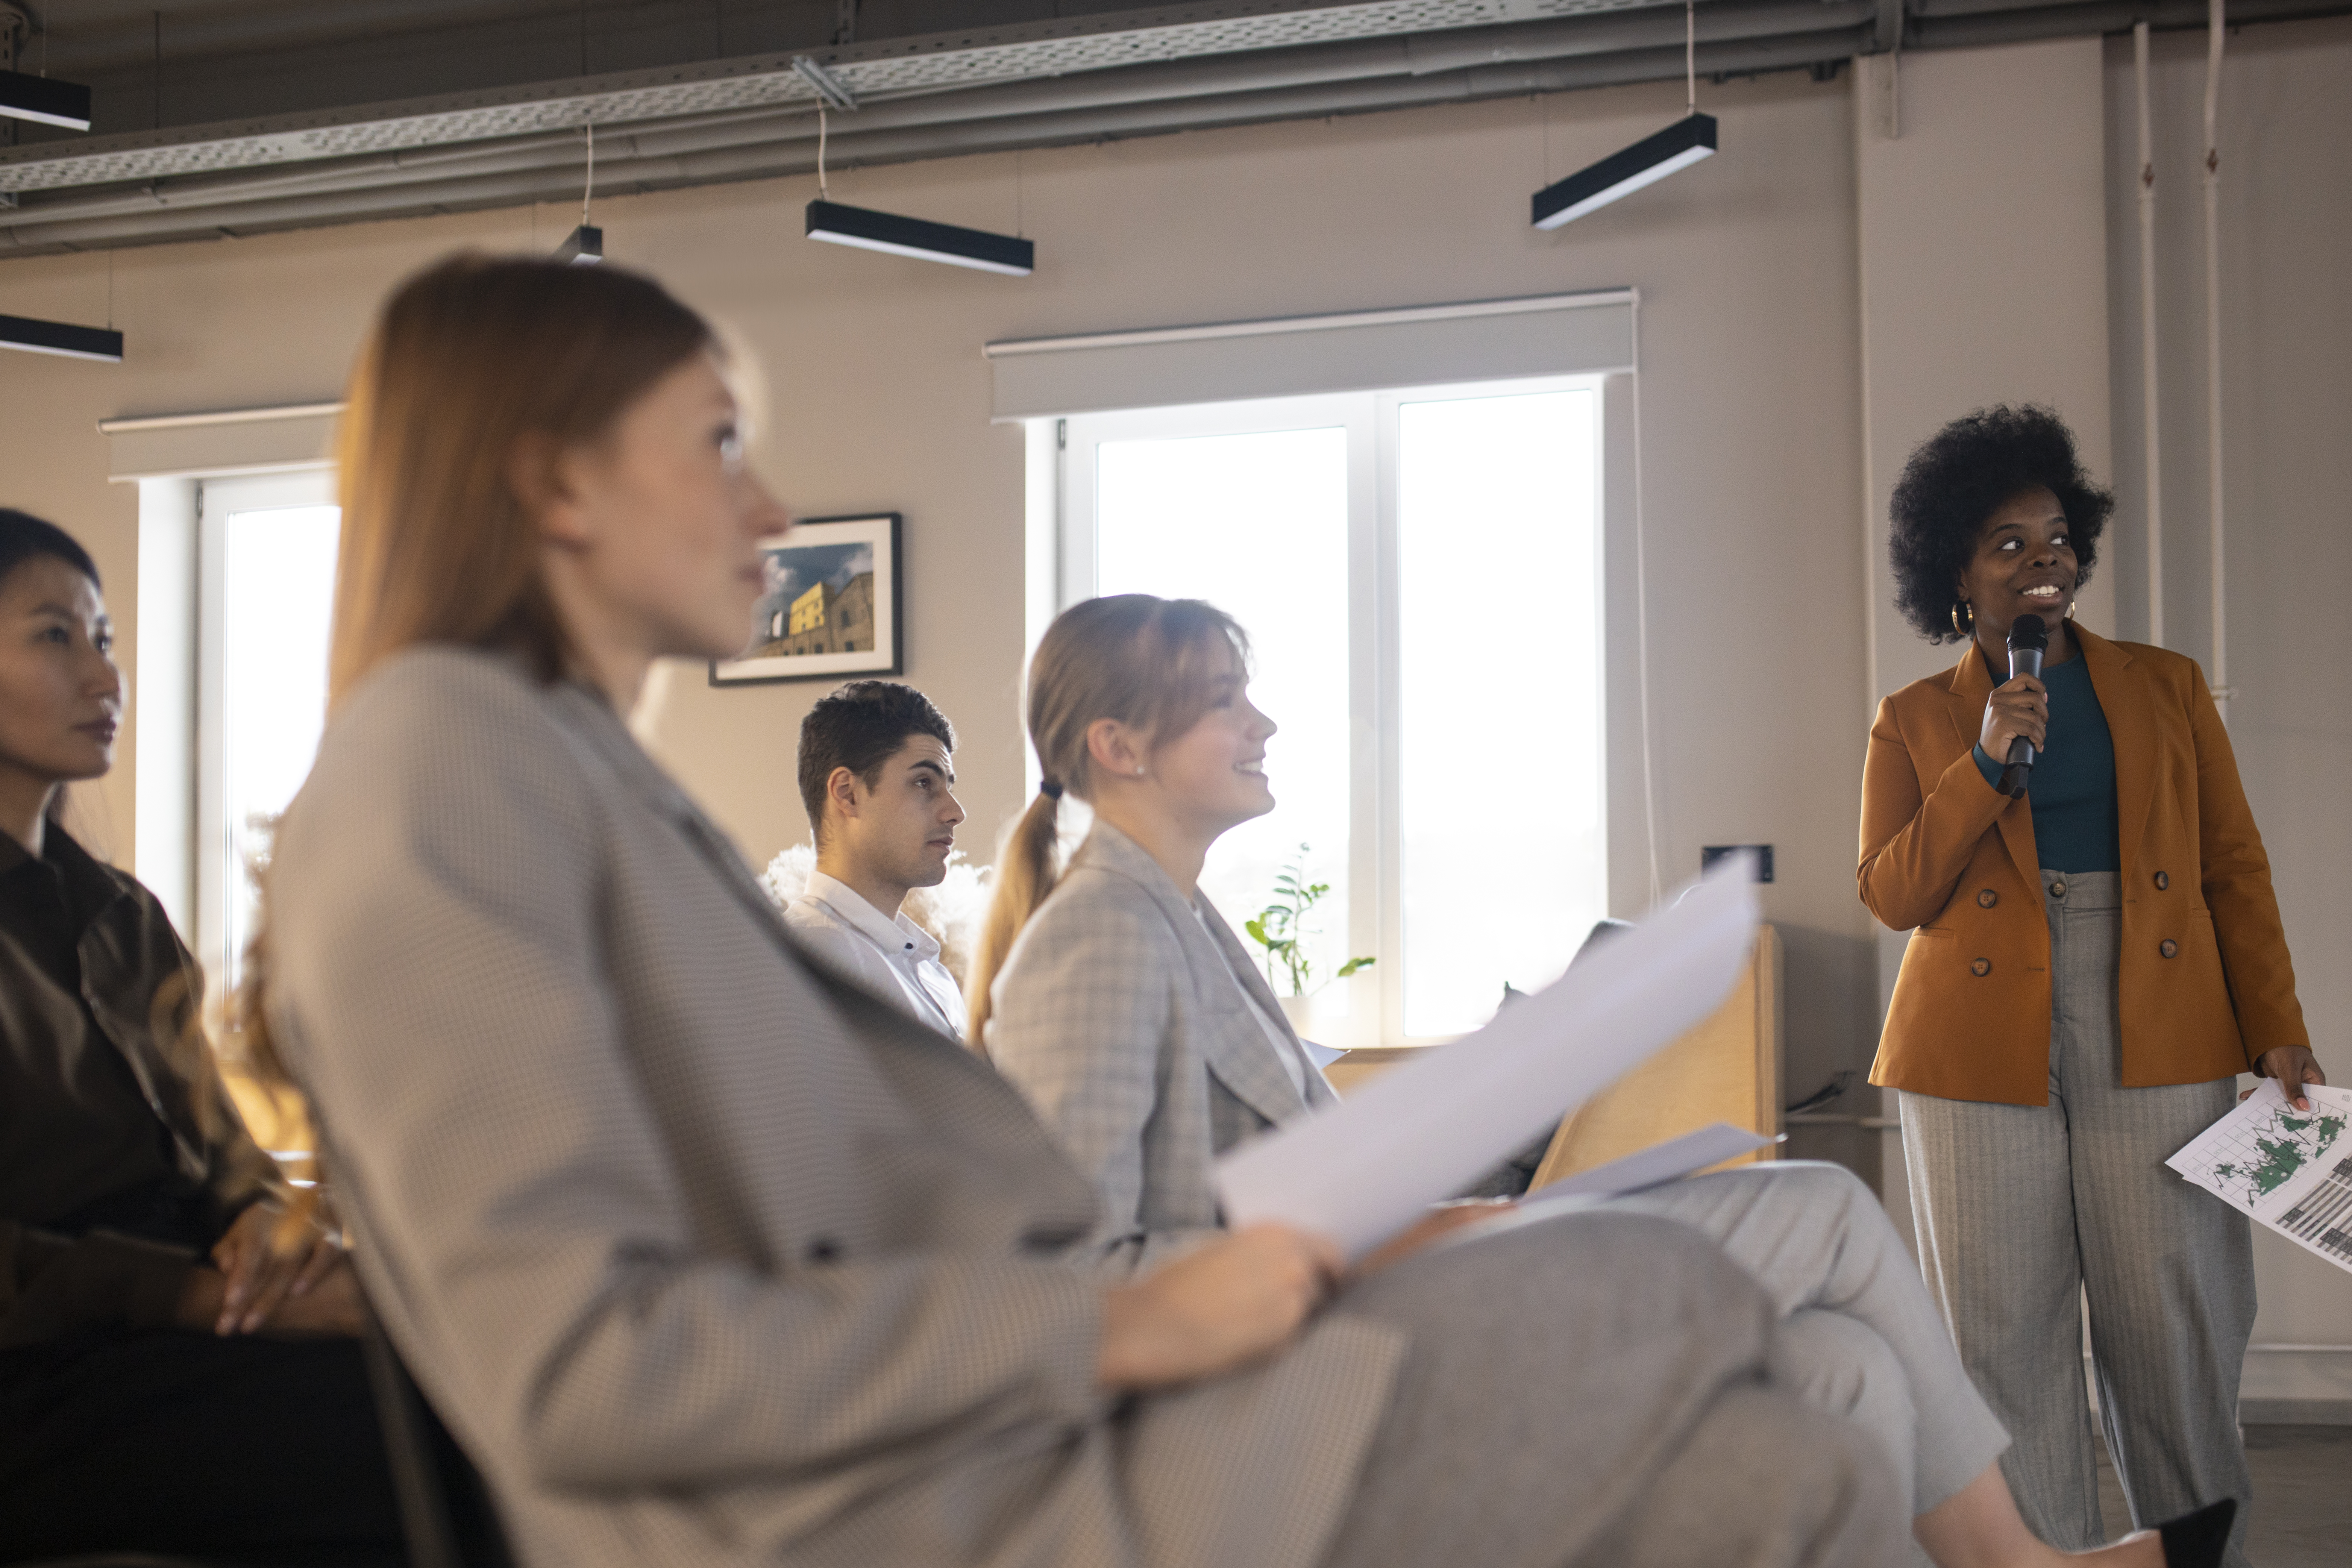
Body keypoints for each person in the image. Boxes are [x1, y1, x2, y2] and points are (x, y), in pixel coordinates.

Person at [252, 252, 1919, 1568]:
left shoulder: (564, 776)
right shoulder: (442, 776)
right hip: (912, 1505)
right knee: (1675, 1298)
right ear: (553, 484)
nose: (769, 508)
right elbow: (585, 1364)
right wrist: (1116, 1319)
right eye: (719, 443)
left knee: (1795, 1449)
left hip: (983, 1431)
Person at [972, 590, 2234, 1568]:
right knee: (1825, 1208)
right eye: (1225, 702)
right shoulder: (1094, 938)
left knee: (1844, 1367)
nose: (1264, 724)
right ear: (1118, 745)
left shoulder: (1184, 921)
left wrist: (1439, 1203)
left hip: (1392, 1283)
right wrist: (1370, 1245)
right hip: (1309, 1367)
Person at [1862, 405, 2321, 1568]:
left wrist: (2279, 1029)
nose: (2043, 559)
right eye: (2009, 543)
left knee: (2174, 1318)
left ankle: (2199, 1552)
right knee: (1998, 1337)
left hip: (2158, 1013)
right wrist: (1981, 764)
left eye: (2057, 536)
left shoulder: (2168, 687)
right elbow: (1892, 890)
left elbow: (2232, 864)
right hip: (1972, 1040)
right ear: (1957, 574)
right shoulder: (1916, 718)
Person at [0, 508, 409, 1564]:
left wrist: (274, 1240)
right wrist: (190, 1292)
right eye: (56, 636)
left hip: (187, 1319)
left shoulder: (122, 916)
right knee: (402, 1430)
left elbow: (228, 1159)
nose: (105, 678)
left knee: (504, 1364)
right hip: (46, 1369)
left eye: (106, 640)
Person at [781, 679, 968, 1036]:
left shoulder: (930, 970)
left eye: (949, 786)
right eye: (924, 783)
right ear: (847, 794)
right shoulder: (812, 962)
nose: (955, 811)